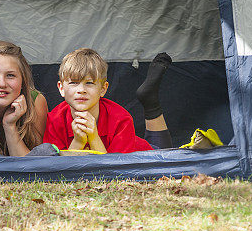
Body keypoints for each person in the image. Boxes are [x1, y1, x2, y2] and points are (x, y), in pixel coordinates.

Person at [43, 48, 173, 153]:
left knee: (166, 155)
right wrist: (78, 142)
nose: (81, 89)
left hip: (147, 153)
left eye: (89, 83)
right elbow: (58, 167)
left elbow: (114, 169)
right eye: (73, 83)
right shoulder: (55, 120)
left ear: (103, 89)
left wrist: (93, 137)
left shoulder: (121, 119)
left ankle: (151, 103)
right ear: (61, 88)